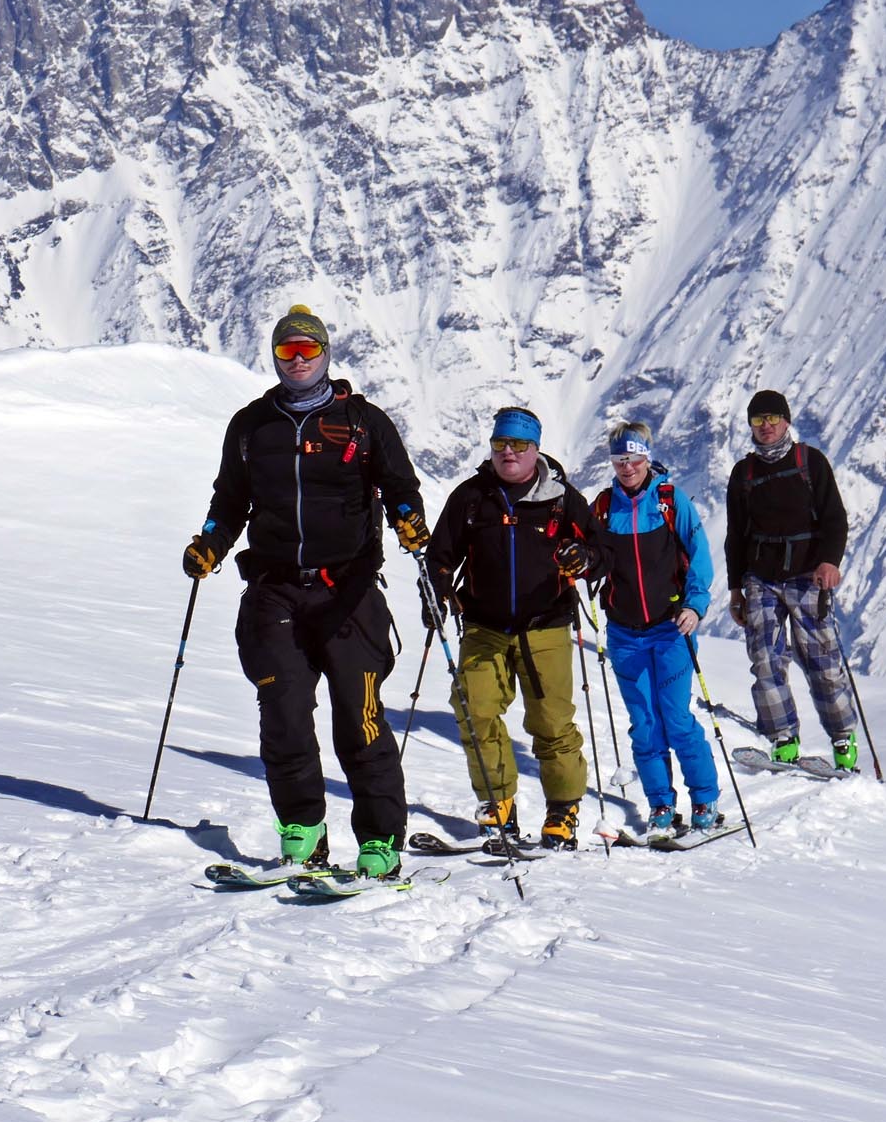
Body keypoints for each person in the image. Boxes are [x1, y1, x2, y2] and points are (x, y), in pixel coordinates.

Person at [183, 304, 429, 879]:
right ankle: (302, 832)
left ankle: (379, 842)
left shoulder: (364, 422)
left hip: (348, 593)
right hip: (274, 591)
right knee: (284, 716)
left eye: (307, 350)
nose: (297, 360)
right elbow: (230, 502)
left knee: (360, 719)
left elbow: (400, 488)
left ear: (325, 356)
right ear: (273, 356)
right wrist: (211, 546)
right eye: (286, 350)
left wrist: (410, 521)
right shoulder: (251, 426)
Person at [424, 407, 609, 850]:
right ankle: (498, 804)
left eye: (519, 444)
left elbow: (604, 551)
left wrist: (585, 560)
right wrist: (436, 591)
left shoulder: (563, 500)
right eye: (501, 443)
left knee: (551, 722)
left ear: (536, 449)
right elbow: (439, 554)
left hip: (545, 626)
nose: (509, 452)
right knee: (475, 710)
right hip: (484, 626)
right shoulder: (471, 497)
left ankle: (562, 810)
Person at [590, 421, 720, 838]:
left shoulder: (669, 500)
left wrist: (695, 606)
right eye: (619, 460)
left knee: (677, 719)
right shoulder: (604, 506)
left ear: (648, 457)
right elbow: (591, 558)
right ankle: (661, 804)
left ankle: (705, 798)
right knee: (644, 724)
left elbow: (700, 556)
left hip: (670, 630)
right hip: (625, 634)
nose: (627, 467)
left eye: (634, 458)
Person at [725, 390, 859, 770]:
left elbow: (835, 518)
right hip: (760, 577)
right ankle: (783, 736)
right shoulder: (744, 473)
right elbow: (736, 534)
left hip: (808, 574)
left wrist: (830, 562)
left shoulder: (809, 462)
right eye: (757, 419)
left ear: (786, 420)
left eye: (772, 418)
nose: (765, 426)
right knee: (765, 657)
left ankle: (842, 738)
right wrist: (737, 590)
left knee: (822, 661)